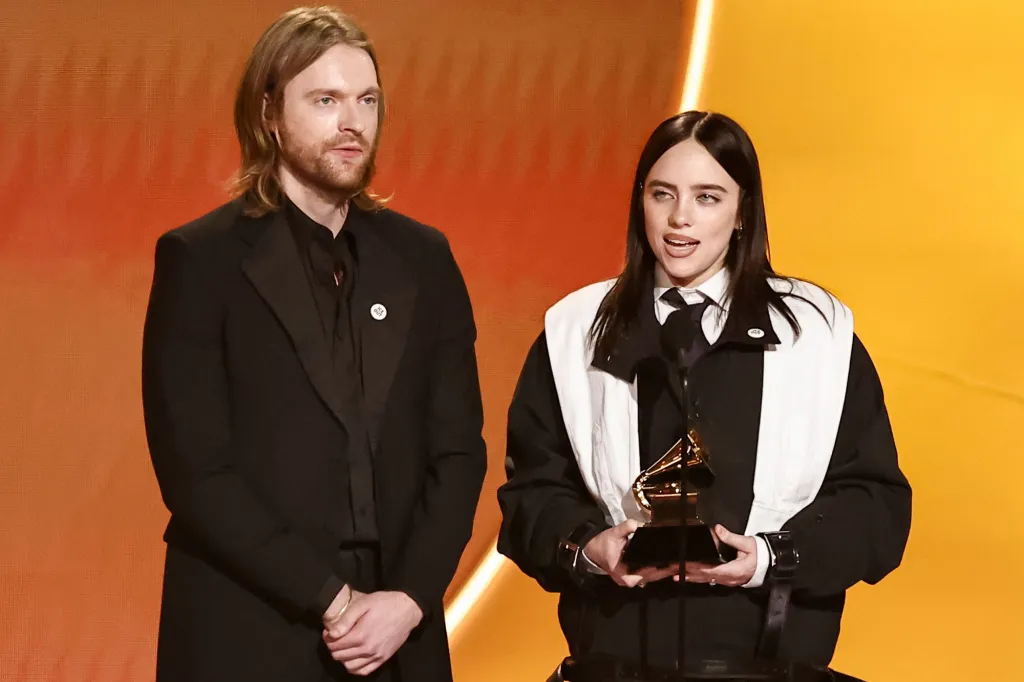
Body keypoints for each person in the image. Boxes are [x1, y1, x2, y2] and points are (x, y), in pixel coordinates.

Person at [141, 7, 486, 681]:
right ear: (269, 112)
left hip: (397, 633)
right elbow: (196, 473)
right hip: (249, 626)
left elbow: (458, 451)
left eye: (367, 101)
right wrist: (333, 600)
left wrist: (410, 599)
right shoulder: (201, 261)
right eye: (325, 100)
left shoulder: (423, 259)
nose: (352, 122)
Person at [497, 111, 911, 671]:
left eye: (707, 197)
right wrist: (589, 548)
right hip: (616, 661)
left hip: (769, 662)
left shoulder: (817, 337)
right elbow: (530, 493)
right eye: (662, 194)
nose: (679, 218)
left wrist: (771, 558)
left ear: (743, 212)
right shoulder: (573, 331)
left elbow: (877, 507)